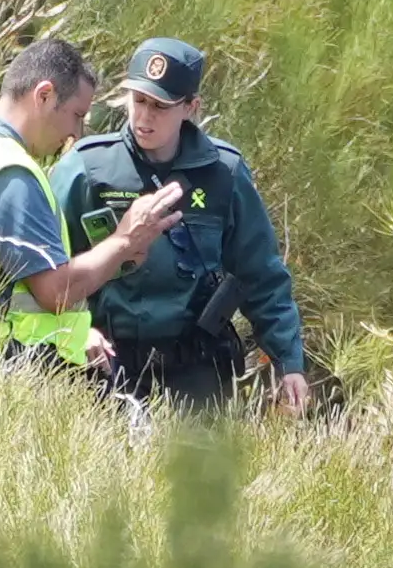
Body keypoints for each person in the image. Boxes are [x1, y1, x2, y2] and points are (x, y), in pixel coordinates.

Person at [53, 38, 310, 412]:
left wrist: (289, 363)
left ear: (191, 107)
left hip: (197, 372)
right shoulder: (88, 168)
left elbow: (261, 275)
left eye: (160, 106)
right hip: (106, 363)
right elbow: (47, 267)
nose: (144, 117)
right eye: (138, 100)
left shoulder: (224, 173)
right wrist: (75, 331)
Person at [0, 37, 184, 367]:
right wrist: (125, 239)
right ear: (44, 96)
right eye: (76, 114)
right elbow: (54, 292)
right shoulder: (12, 175)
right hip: (8, 370)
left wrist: (75, 334)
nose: (76, 132)